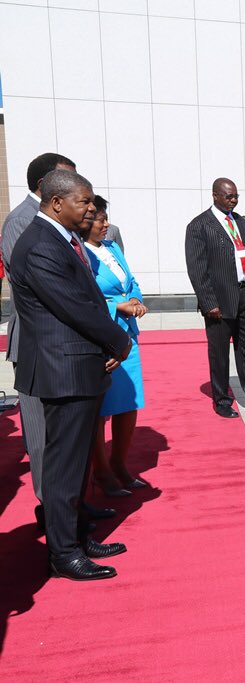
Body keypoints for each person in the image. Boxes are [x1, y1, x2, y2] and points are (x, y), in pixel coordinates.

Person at [9, 169, 132, 580]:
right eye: (84, 201)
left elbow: (88, 297)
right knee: (64, 465)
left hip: (80, 364)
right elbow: (74, 306)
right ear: (57, 202)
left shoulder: (63, 238)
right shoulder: (40, 244)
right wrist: (118, 340)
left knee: (77, 463)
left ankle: (78, 534)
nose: (91, 208)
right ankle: (63, 553)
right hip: (63, 368)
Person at [1, 152, 77, 512]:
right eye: (69, 180)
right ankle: (53, 514)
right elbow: (42, 287)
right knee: (43, 437)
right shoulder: (22, 221)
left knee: (67, 435)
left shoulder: (59, 219)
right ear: (46, 185)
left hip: (65, 342)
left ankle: (72, 509)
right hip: (38, 343)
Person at [185, 178, 245, 418]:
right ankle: (222, 400)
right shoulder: (199, 225)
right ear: (215, 195)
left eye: (236, 196)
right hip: (219, 300)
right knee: (219, 354)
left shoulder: (240, 223)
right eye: (229, 196)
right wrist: (209, 303)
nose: (234, 200)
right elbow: (197, 269)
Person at [82, 196, 149, 497]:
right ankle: (102, 472)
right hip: (101, 336)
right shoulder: (80, 253)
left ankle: (119, 464)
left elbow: (130, 281)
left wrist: (135, 299)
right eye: (101, 219)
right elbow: (84, 296)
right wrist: (117, 306)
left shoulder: (112, 248)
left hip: (126, 337)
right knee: (101, 409)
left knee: (128, 403)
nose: (107, 225)